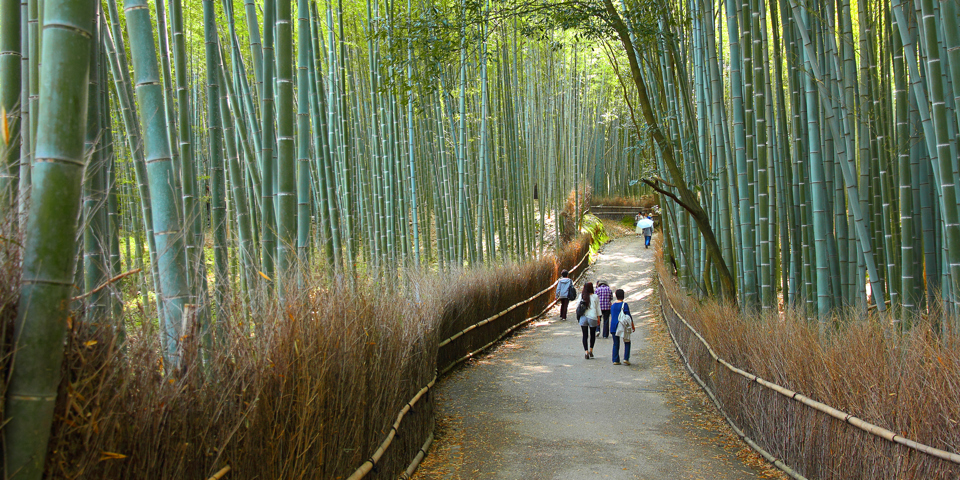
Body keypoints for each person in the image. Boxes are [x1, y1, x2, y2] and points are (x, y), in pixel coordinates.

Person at [610, 289, 635, 365]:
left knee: (615, 343)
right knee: (627, 341)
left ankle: (615, 359)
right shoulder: (624, 305)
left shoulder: (613, 306)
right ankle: (626, 358)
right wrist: (632, 325)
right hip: (622, 326)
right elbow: (628, 316)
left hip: (613, 326)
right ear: (623, 295)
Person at [576, 282, 601, 359]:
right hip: (592, 317)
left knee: (585, 335)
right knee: (592, 334)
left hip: (583, 317)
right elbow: (598, 309)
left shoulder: (581, 296)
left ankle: (586, 352)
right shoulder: (595, 297)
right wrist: (599, 318)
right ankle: (591, 350)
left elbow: (577, 306)